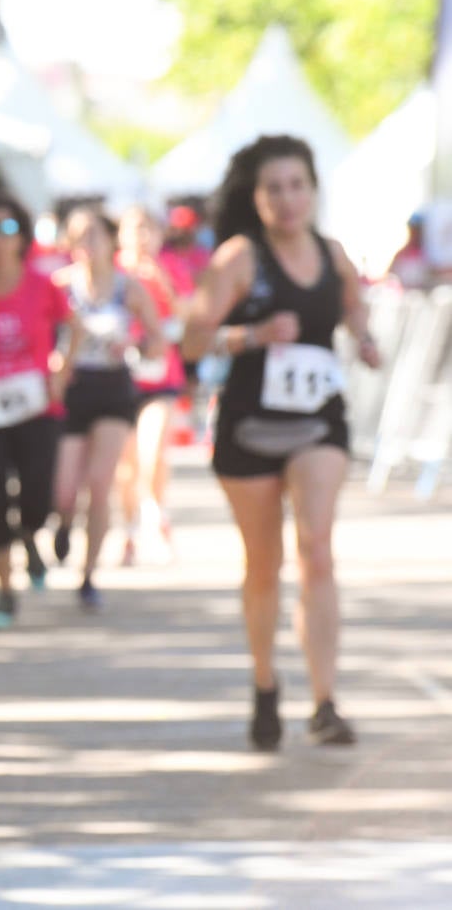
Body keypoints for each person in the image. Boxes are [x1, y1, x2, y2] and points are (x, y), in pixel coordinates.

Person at [182, 134, 380, 752]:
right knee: (263, 566)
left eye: (298, 185)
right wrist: (253, 334)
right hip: (248, 424)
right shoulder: (240, 257)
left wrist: (365, 338)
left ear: (314, 191)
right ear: (257, 197)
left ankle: (325, 701)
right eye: (275, 188)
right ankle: (266, 682)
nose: (288, 199)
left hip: (318, 420)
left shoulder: (335, 253)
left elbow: (354, 308)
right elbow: (191, 342)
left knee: (316, 549)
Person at [0, 192, 71, 628]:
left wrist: (62, 369)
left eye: (8, 229)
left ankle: (30, 533)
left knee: (40, 497)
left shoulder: (44, 286)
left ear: (22, 236)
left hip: (39, 408)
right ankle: (4, 590)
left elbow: (71, 328)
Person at [50, 207, 163, 611]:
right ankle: (63, 523)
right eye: (79, 237)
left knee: (100, 483)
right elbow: (40, 335)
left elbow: (158, 339)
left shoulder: (128, 288)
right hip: (72, 389)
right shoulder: (59, 287)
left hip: (113, 388)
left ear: (110, 240)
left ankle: (88, 574)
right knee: (64, 491)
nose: (88, 245)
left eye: (94, 235)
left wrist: (132, 345)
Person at [115, 206, 187, 565]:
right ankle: (130, 529)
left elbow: (184, 315)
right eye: (135, 228)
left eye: (149, 229)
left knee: (153, 450)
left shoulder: (169, 268)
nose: (142, 236)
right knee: (125, 465)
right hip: (120, 374)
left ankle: (157, 516)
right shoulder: (111, 269)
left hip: (162, 375)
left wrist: (160, 280)